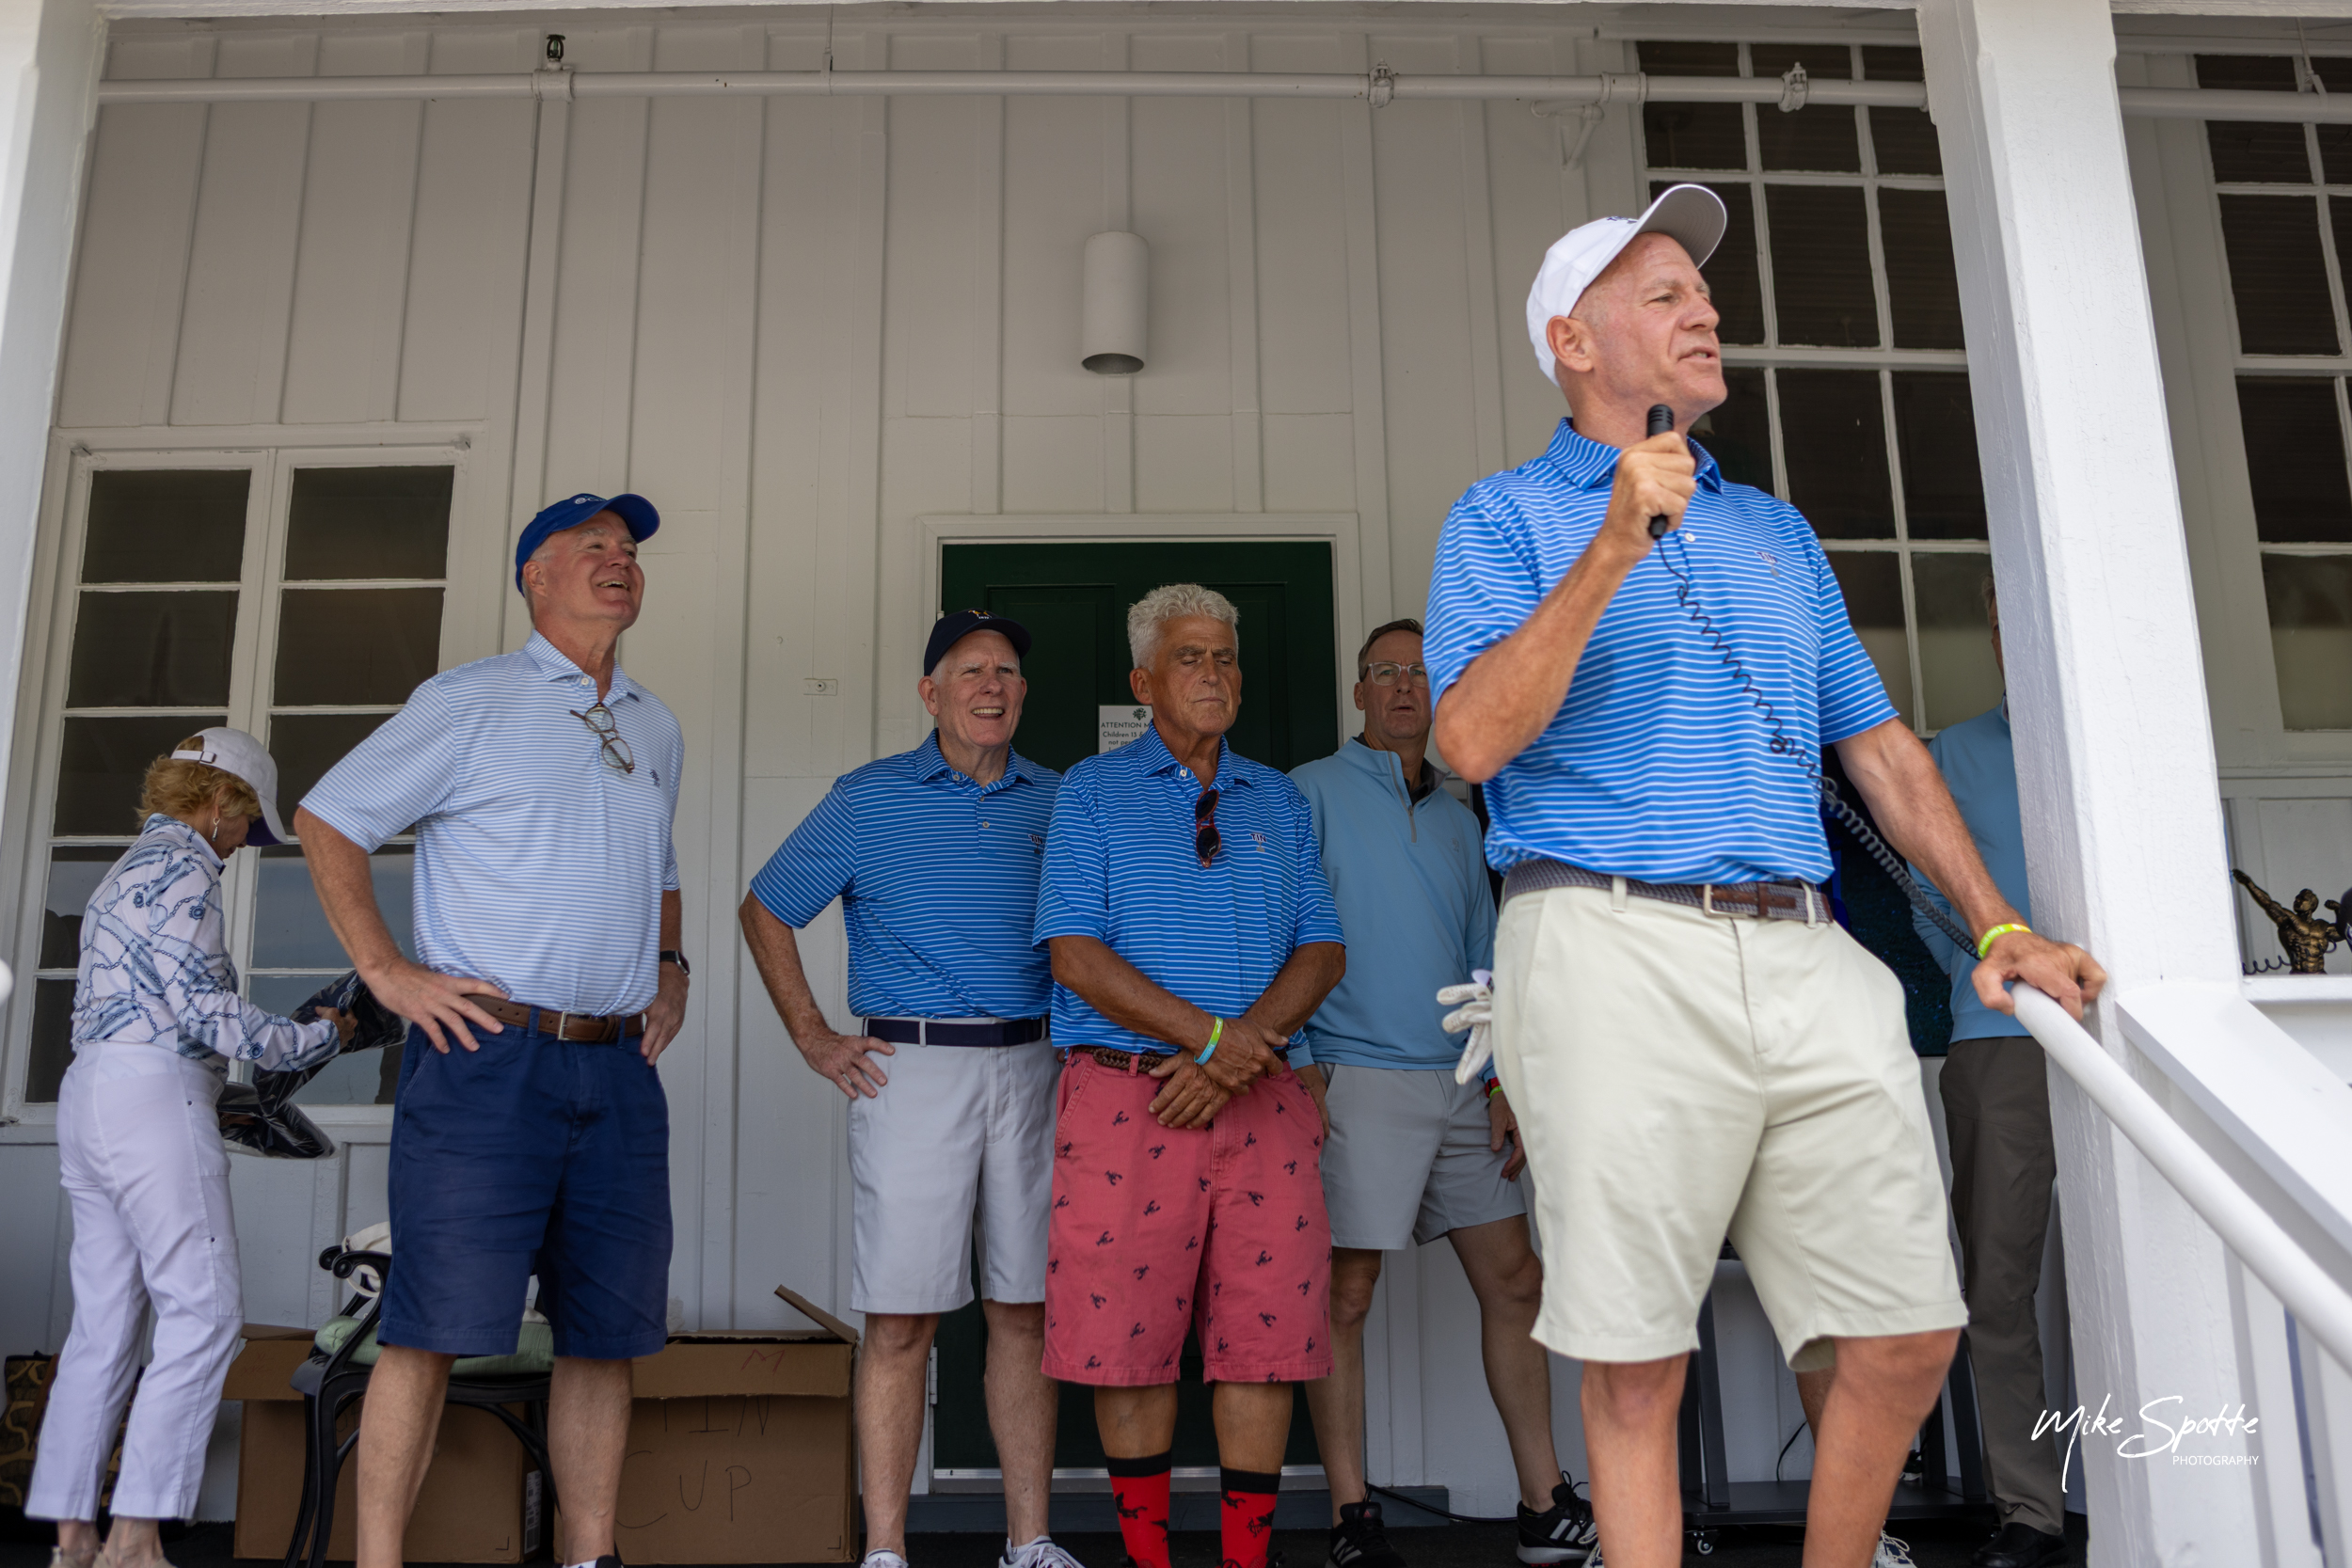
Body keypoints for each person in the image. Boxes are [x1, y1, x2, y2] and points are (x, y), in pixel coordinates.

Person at [1422, 186, 2106, 1568]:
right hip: (1607, 936)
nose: (1707, 311)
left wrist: (2002, 926)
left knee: (1908, 1329)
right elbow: (1469, 740)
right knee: (1635, 1359)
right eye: (1665, 293)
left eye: (1703, 292)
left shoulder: (1779, 532)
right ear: (1573, 342)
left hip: (1805, 946)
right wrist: (1612, 544)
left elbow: (1881, 750)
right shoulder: (1501, 517)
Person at [294, 491, 689, 1568]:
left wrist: (671, 968)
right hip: (486, 1062)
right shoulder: (468, 700)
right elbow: (328, 815)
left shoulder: (654, 721)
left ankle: (589, 1555)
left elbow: (658, 867)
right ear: (535, 577)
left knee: (602, 1335)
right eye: (591, 545)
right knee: (431, 1324)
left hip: (617, 1067)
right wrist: (387, 971)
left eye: (628, 549)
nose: (618, 560)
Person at [738, 609, 1081, 1568]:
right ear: (931, 693)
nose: (991, 686)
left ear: (1023, 693)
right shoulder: (868, 798)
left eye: (1006, 671)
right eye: (970, 670)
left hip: (1038, 1066)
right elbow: (765, 907)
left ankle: (1029, 1540)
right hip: (913, 1066)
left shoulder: (1062, 798)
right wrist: (813, 1035)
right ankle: (885, 1549)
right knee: (900, 1318)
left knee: (1025, 1309)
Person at [1034, 583, 1346, 1568]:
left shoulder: (1278, 798)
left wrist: (1232, 1049)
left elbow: (1323, 948)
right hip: (1128, 1099)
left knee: (1265, 1339)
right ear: (1143, 682)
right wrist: (1217, 1040)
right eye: (1189, 656)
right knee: (1127, 1343)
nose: (1213, 672)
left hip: (1261, 1097)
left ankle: (1245, 1561)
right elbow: (1075, 955)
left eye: (1224, 656)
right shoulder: (1091, 789)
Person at [1290, 619, 1595, 1568]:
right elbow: (1277, 925)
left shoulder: (1466, 817)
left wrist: (1502, 1075)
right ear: (1358, 693)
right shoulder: (1310, 791)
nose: (1403, 687)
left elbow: (1484, 953)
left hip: (1461, 1081)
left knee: (1516, 1279)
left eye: (1420, 673)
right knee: (1346, 1294)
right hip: (1354, 1074)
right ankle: (1352, 1516)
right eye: (1384, 672)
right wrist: (1302, 1057)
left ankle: (1543, 1506)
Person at [29, 730, 353, 1568]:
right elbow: (205, 1012)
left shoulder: (121, 872)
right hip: (152, 1095)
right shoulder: (186, 871)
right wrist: (317, 1035)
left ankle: (73, 1541)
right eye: (246, 821)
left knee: (104, 1326)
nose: (244, 840)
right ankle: (136, 1539)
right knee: (202, 1312)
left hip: (90, 1092)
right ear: (219, 804)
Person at [1908, 580, 2070, 1568]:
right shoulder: (1954, 754)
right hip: (2001, 1041)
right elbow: (1928, 903)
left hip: (2129, 1040)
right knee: (1999, 1282)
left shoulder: (2119, 746)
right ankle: (2032, 1509)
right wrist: (1996, 988)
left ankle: (2168, 1477)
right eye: (2008, 625)